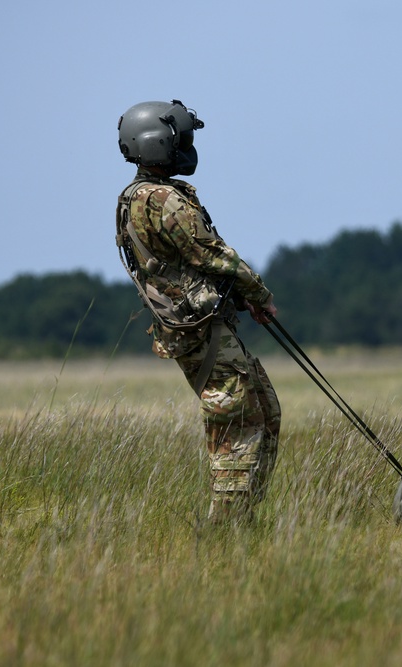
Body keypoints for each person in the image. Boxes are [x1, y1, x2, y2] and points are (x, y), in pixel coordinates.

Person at [116, 99, 281, 523]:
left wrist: (239, 297)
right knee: (237, 421)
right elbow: (212, 256)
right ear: (157, 144)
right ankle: (227, 526)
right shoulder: (162, 199)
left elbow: (185, 263)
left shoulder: (137, 197)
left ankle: (242, 516)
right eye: (180, 141)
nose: (187, 149)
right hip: (200, 329)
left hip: (199, 324)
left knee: (262, 407)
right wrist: (258, 293)